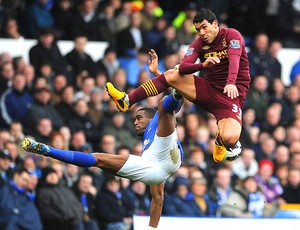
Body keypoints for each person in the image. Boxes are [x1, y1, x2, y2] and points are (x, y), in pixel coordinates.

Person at [21, 57, 184, 229]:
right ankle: (48, 150)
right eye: (134, 119)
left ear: (148, 119)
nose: (135, 122)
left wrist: (159, 74)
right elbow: (157, 200)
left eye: (138, 118)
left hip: (167, 151)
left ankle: (175, 92)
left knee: (165, 107)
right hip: (158, 166)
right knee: (97, 159)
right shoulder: (148, 148)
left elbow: (170, 110)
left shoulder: (156, 121)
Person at [106, 8, 250, 163]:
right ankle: (127, 100)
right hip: (208, 89)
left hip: (231, 95)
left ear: (215, 24)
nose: (201, 33)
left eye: (204, 27)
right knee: (173, 73)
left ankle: (221, 141)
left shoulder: (231, 35)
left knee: (229, 138)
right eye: (197, 29)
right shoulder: (199, 43)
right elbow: (183, 66)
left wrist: (230, 82)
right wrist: (202, 65)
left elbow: (235, 59)